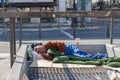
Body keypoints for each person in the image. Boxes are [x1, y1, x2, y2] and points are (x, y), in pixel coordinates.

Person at [32, 41, 108, 60]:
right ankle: (98, 55)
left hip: (70, 48)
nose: (41, 50)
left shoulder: (49, 44)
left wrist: (62, 52)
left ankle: (102, 56)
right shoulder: (46, 52)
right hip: (68, 53)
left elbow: (60, 43)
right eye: (39, 51)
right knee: (83, 56)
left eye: (40, 48)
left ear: (41, 44)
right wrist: (42, 55)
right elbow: (50, 57)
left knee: (83, 57)